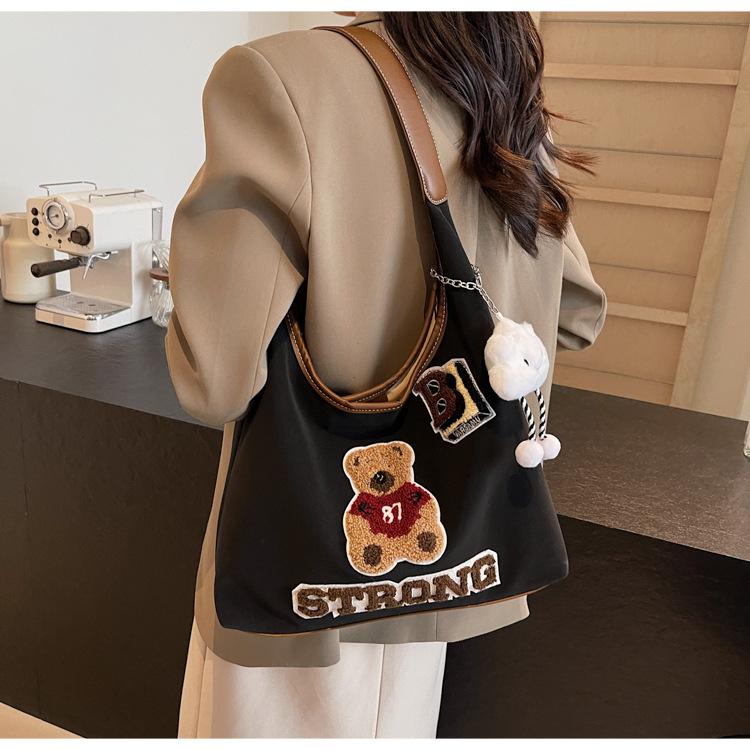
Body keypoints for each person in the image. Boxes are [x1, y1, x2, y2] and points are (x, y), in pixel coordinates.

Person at [165, 11, 606, 739]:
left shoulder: (277, 76)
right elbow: (576, 317)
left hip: (301, 579)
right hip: (447, 568)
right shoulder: (501, 87)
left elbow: (212, 380)